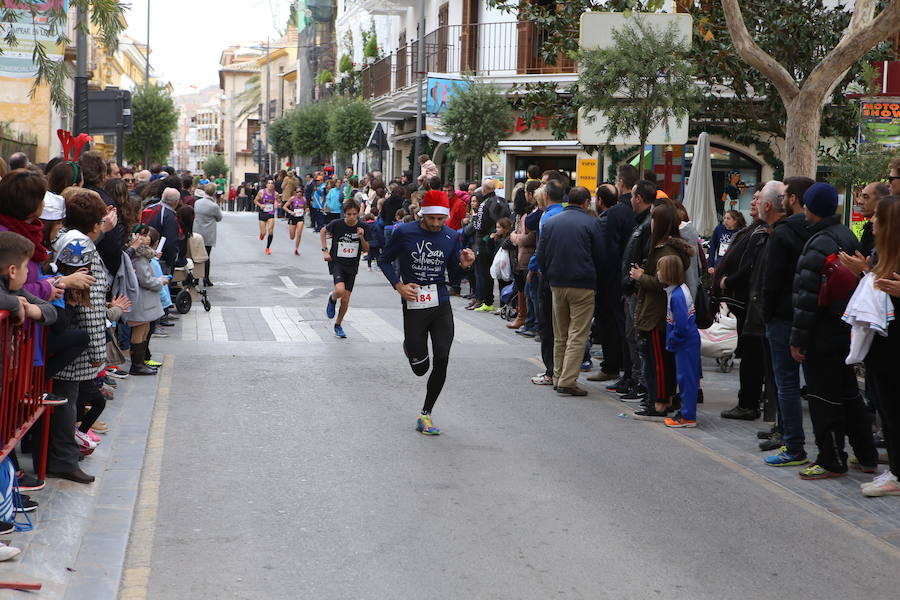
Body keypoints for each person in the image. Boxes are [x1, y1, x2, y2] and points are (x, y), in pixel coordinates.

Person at [789, 182, 877, 480]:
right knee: (850, 395)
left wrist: (798, 339)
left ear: (809, 207)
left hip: (822, 334)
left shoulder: (818, 242)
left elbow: (806, 298)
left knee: (823, 397)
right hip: (845, 329)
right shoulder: (846, 235)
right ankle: (866, 455)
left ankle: (831, 458)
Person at [378, 190, 475, 435]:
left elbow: (453, 276)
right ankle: (410, 346)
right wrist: (399, 286)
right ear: (422, 214)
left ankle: (426, 414)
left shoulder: (451, 236)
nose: (435, 224)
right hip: (414, 302)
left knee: (442, 357)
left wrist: (464, 266)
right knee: (421, 367)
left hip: (440, 301)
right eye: (431, 218)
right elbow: (384, 260)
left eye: (440, 219)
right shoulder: (404, 231)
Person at [847, 195, 900, 496]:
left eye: (877, 217)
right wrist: (864, 272)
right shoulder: (882, 255)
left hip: (894, 349)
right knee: (887, 409)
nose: (871, 222)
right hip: (881, 346)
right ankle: (895, 469)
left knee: (893, 409)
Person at [762, 176, 815, 468]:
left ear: (793, 199)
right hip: (811, 315)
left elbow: (773, 280)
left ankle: (793, 444)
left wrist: (767, 314)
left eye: (786, 194)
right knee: (816, 385)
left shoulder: (783, 233)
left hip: (784, 315)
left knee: (786, 382)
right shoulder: (823, 231)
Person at [535, 186, 606, 396]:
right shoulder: (593, 223)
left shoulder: (551, 222)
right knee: (577, 334)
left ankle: (558, 376)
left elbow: (541, 254)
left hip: (556, 283)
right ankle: (567, 380)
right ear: (586, 202)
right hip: (583, 284)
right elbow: (601, 256)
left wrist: (549, 276)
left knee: (560, 334)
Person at [629, 202, 694, 420]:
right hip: (656, 311)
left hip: (658, 313)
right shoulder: (664, 246)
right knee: (657, 360)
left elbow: (664, 282)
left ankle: (659, 402)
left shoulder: (666, 250)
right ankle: (657, 398)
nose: (651, 222)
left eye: (654, 218)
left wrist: (641, 277)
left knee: (657, 361)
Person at [657, 254, 701, 428]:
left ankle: (688, 416)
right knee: (686, 379)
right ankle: (685, 412)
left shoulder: (676, 296)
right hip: (687, 341)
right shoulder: (679, 290)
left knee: (686, 379)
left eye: (660, 270)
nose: (657, 273)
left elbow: (681, 324)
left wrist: (673, 339)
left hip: (685, 343)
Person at [123, 224, 169, 375]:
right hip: (141, 299)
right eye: (142, 235)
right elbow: (146, 280)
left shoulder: (143, 255)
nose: (146, 238)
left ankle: (141, 363)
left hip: (145, 299)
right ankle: (137, 365)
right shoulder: (138, 256)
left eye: (147, 235)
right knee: (140, 329)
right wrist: (160, 281)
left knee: (145, 328)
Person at [321, 199, 369, 339]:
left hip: (352, 265)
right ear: (344, 213)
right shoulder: (337, 224)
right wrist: (325, 250)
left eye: (354, 214)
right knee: (340, 290)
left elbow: (366, 249)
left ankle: (338, 325)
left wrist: (361, 237)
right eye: (349, 214)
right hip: (337, 262)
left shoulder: (363, 227)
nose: (352, 217)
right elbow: (323, 231)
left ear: (358, 213)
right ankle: (332, 297)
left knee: (346, 299)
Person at [193, 183, 223, 286]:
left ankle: (196, 278)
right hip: (208, 233)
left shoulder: (197, 202)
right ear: (214, 193)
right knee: (206, 256)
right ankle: (206, 278)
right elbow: (219, 218)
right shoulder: (214, 206)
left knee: (196, 256)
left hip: (197, 231)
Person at [254, 179, 278, 255]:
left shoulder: (276, 194)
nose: (270, 184)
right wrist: (260, 205)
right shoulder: (261, 192)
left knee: (270, 231)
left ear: (273, 185)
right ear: (266, 185)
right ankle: (262, 234)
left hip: (271, 213)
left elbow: (278, 202)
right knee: (264, 232)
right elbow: (255, 200)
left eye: (272, 183)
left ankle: (267, 248)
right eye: (269, 183)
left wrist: (278, 204)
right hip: (262, 213)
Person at [285, 187, 307, 256]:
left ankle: (296, 249)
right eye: (297, 192)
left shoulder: (304, 199)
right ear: (295, 192)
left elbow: (305, 208)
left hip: (300, 218)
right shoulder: (292, 199)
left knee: (299, 233)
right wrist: (290, 212)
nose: (299, 193)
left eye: (300, 192)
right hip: (293, 217)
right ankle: (295, 244)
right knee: (292, 237)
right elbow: (284, 207)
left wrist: (306, 210)